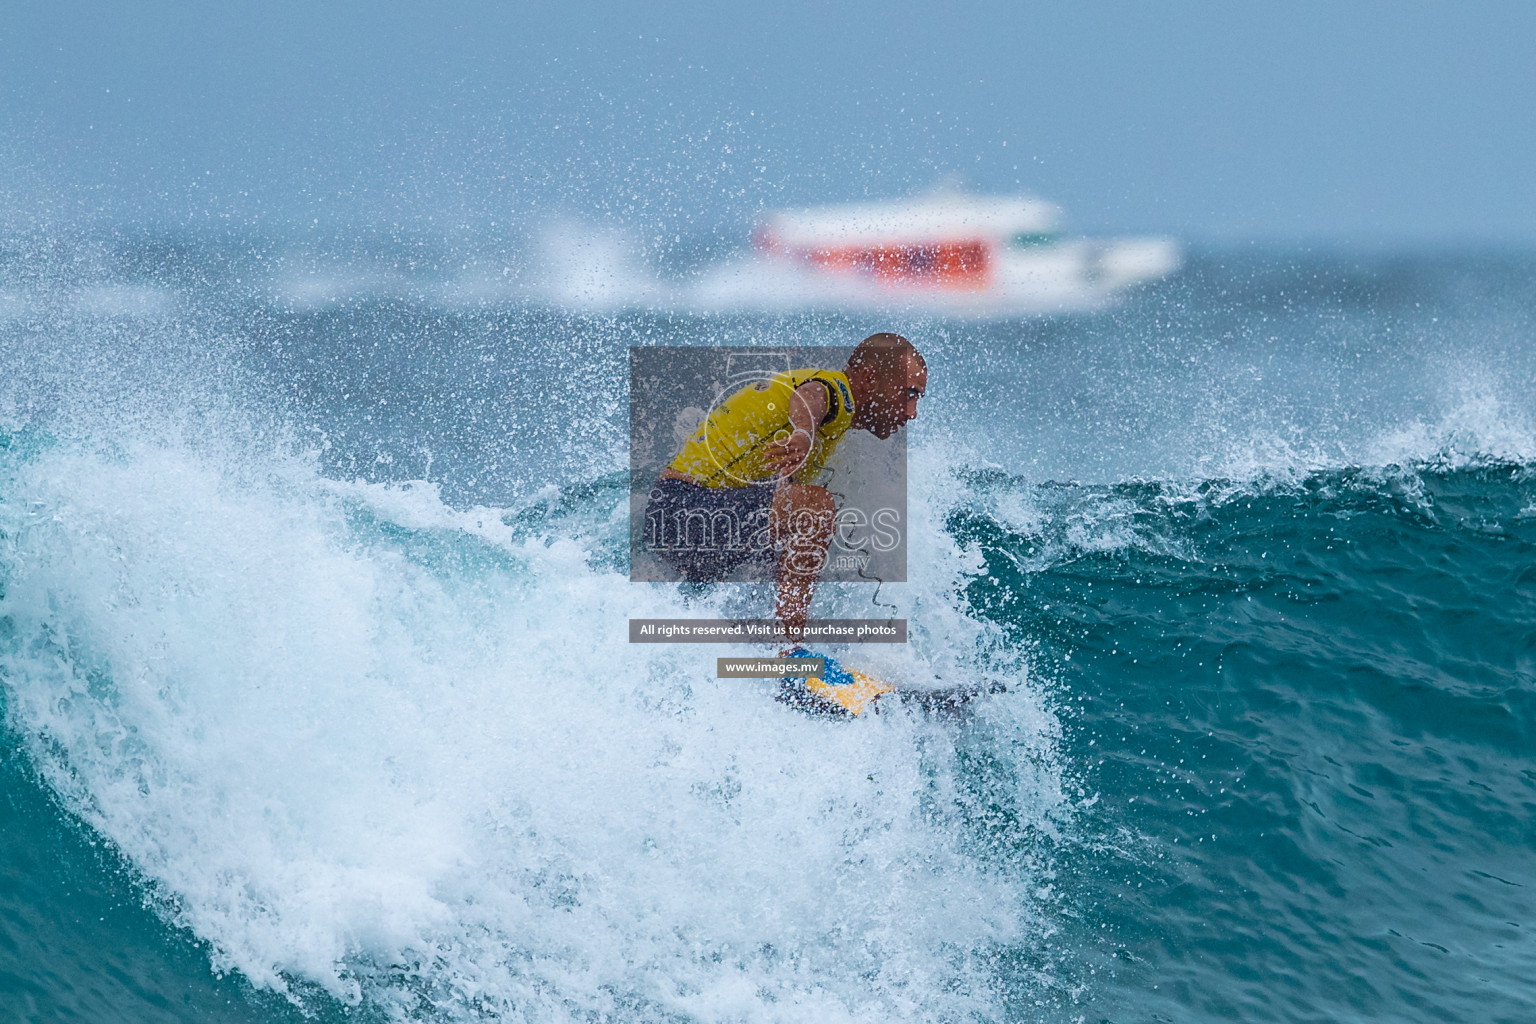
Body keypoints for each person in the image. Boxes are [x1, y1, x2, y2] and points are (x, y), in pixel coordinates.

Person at [645, 332, 926, 639]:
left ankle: (757, 644)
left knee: (786, 535)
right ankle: (789, 651)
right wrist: (804, 432)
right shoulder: (838, 391)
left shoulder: (835, 417)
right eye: (908, 394)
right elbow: (811, 396)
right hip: (684, 511)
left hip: (684, 518)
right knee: (815, 508)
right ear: (871, 378)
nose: (912, 412)